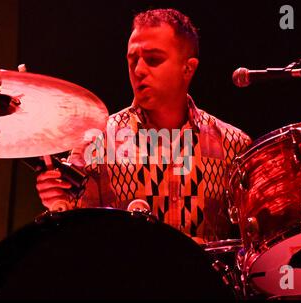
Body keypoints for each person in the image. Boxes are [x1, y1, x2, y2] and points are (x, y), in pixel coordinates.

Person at [36, 8, 251, 243]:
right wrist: (56, 198)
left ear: (187, 68)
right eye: (133, 59)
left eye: (153, 59)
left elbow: (253, 244)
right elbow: (74, 231)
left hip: (202, 279)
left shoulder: (234, 146)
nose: (138, 70)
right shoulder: (97, 141)